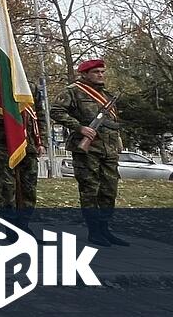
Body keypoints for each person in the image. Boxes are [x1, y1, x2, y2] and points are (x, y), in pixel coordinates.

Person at [51, 58, 128, 247]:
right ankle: (94, 231)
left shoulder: (106, 95)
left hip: (108, 149)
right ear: (85, 74)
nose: (100, 75)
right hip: (88, 150)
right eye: (96, 72)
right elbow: (56, 111)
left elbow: (111, 122)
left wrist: (118, 140)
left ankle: (104, 229)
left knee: (109, 191)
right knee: (90, 191)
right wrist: (80, 128)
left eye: (102, 72)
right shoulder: (73, 91)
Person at [0, 78, 45, 228]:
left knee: (29, 189)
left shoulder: (30, 87)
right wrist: (6, 118)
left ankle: (24, 225)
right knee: (7, 188)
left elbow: (39, 115)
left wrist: (42, 142)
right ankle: (10, 227)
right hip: (4, 143)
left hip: (29, 143)